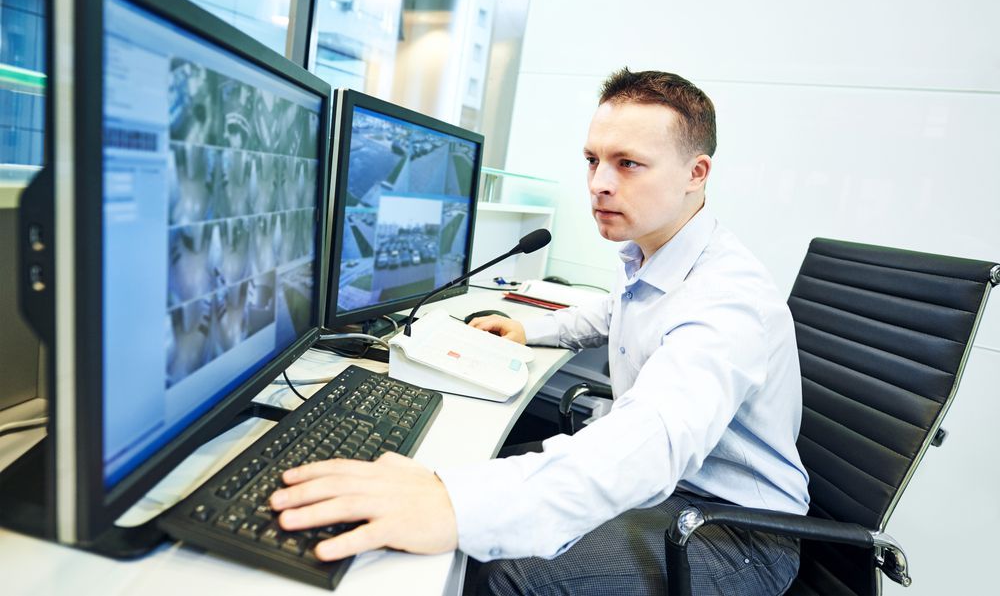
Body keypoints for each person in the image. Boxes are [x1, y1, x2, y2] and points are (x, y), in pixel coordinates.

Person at [269, 69, 810, 595]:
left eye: (628, 164)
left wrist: (452, 505)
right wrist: (530, 330)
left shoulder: (727, 299)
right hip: (676, 498)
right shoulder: (658, 253)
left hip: (734, 534)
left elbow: (653, 442)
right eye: (593, 160)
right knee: (481, 495)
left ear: (696, 173)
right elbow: (615, 312)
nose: (599, 183)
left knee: (504, 570)